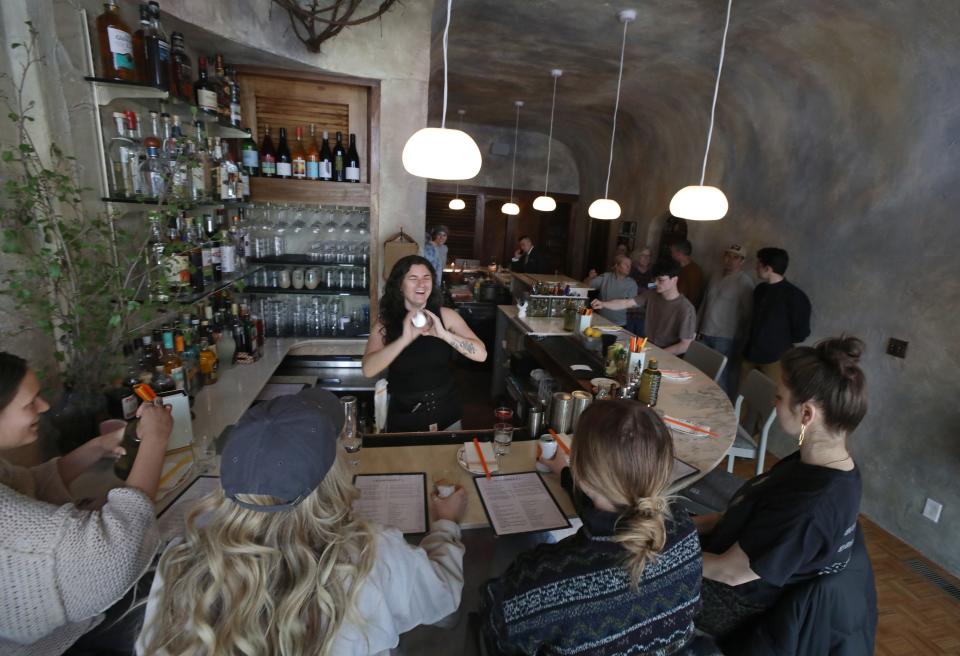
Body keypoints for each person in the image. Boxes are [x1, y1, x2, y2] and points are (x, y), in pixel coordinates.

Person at [137, 388, 469, 655]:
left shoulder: (181, 565)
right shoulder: (371, 555)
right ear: (333, 478)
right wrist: (446, 524)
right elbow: (442, 595)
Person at [480, 400, 702, 655]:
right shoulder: (683, 527)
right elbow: (616, 514)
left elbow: (498, 634)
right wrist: (566, 474)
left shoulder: (544, 576)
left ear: (582, 475)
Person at [0, 352, 172, 655]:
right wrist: (156, 441)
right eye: (30, 403)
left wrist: (100, 445)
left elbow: (28, 485)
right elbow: (113, 551)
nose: (45, 407)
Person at [694, 336, 867, 639]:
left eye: (778, 397)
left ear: (807, 414)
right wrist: (683, 526)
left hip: (728, 602)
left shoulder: (812, 505)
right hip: (723, 559)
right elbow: (742, 516)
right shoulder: (817, 461)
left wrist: (661, 554)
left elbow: (730, 572)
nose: (775, 402)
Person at [362, 255, 487, 432]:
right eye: (413, 278)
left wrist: (444, 335)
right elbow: (368, 369)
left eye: (426, 278)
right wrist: (404, 339)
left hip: (447, 414)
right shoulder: (385, 323)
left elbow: (482, 355)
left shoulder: (446, 315)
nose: (421, 284)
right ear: (399, 286)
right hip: (405, 417)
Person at [592, 260, 697, 355]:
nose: (655, 283)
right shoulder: (652, 294)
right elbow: (626, 303)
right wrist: (603, 304)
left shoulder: (686, 309)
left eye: (660, 280)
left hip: (668, 355)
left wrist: (656, 354)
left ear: (674, 280)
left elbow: (684, 345)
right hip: (648, 346)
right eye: (655, 279)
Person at [742, 247, 812, 386]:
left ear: (768, 268)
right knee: (741, 397)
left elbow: (801, 333)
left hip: (776, 359)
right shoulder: (760, 290)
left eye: (759, 264)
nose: (756, 268)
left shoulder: (795, 297)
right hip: (750, 353)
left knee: (769, 401)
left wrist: (777, 341)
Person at [698, 244, 755, 398]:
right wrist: (697, 326)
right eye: (727, 255)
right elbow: (705, 302)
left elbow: (748, 314)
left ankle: (722, 409)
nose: (730, 260)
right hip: (705, 331)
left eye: (735, 257)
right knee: (702, 371)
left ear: (742, 261)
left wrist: (742, 338)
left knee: (722, 376)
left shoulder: (744, 282)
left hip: (725, 337)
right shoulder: (715, 275)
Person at [583, 254, 638, 327]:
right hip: (600, 320)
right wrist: (590, 277)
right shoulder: (606, 277)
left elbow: (633, 305)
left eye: (630, 265)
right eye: (625, 264)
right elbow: (586, 285)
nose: (629, 267)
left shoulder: (632, 284)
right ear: (616, 266)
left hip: (619, 324)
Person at [670, 238, 706, 309]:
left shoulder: (694, 271)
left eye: (672, 251)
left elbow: (694, 298)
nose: (671, 254)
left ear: (679, 253)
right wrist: (652, 285)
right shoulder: (677, 267)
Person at [627, 246, 655, 335]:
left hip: (646, 312)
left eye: (649, 256)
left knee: (641, 340)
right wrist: (646, 288)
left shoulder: (653, 271)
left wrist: (649, 287)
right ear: (637, 256)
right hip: (629, 311)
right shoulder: (630, 270)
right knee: (627, 336)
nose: (646, 258)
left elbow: (654, 288)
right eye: (643, 255)